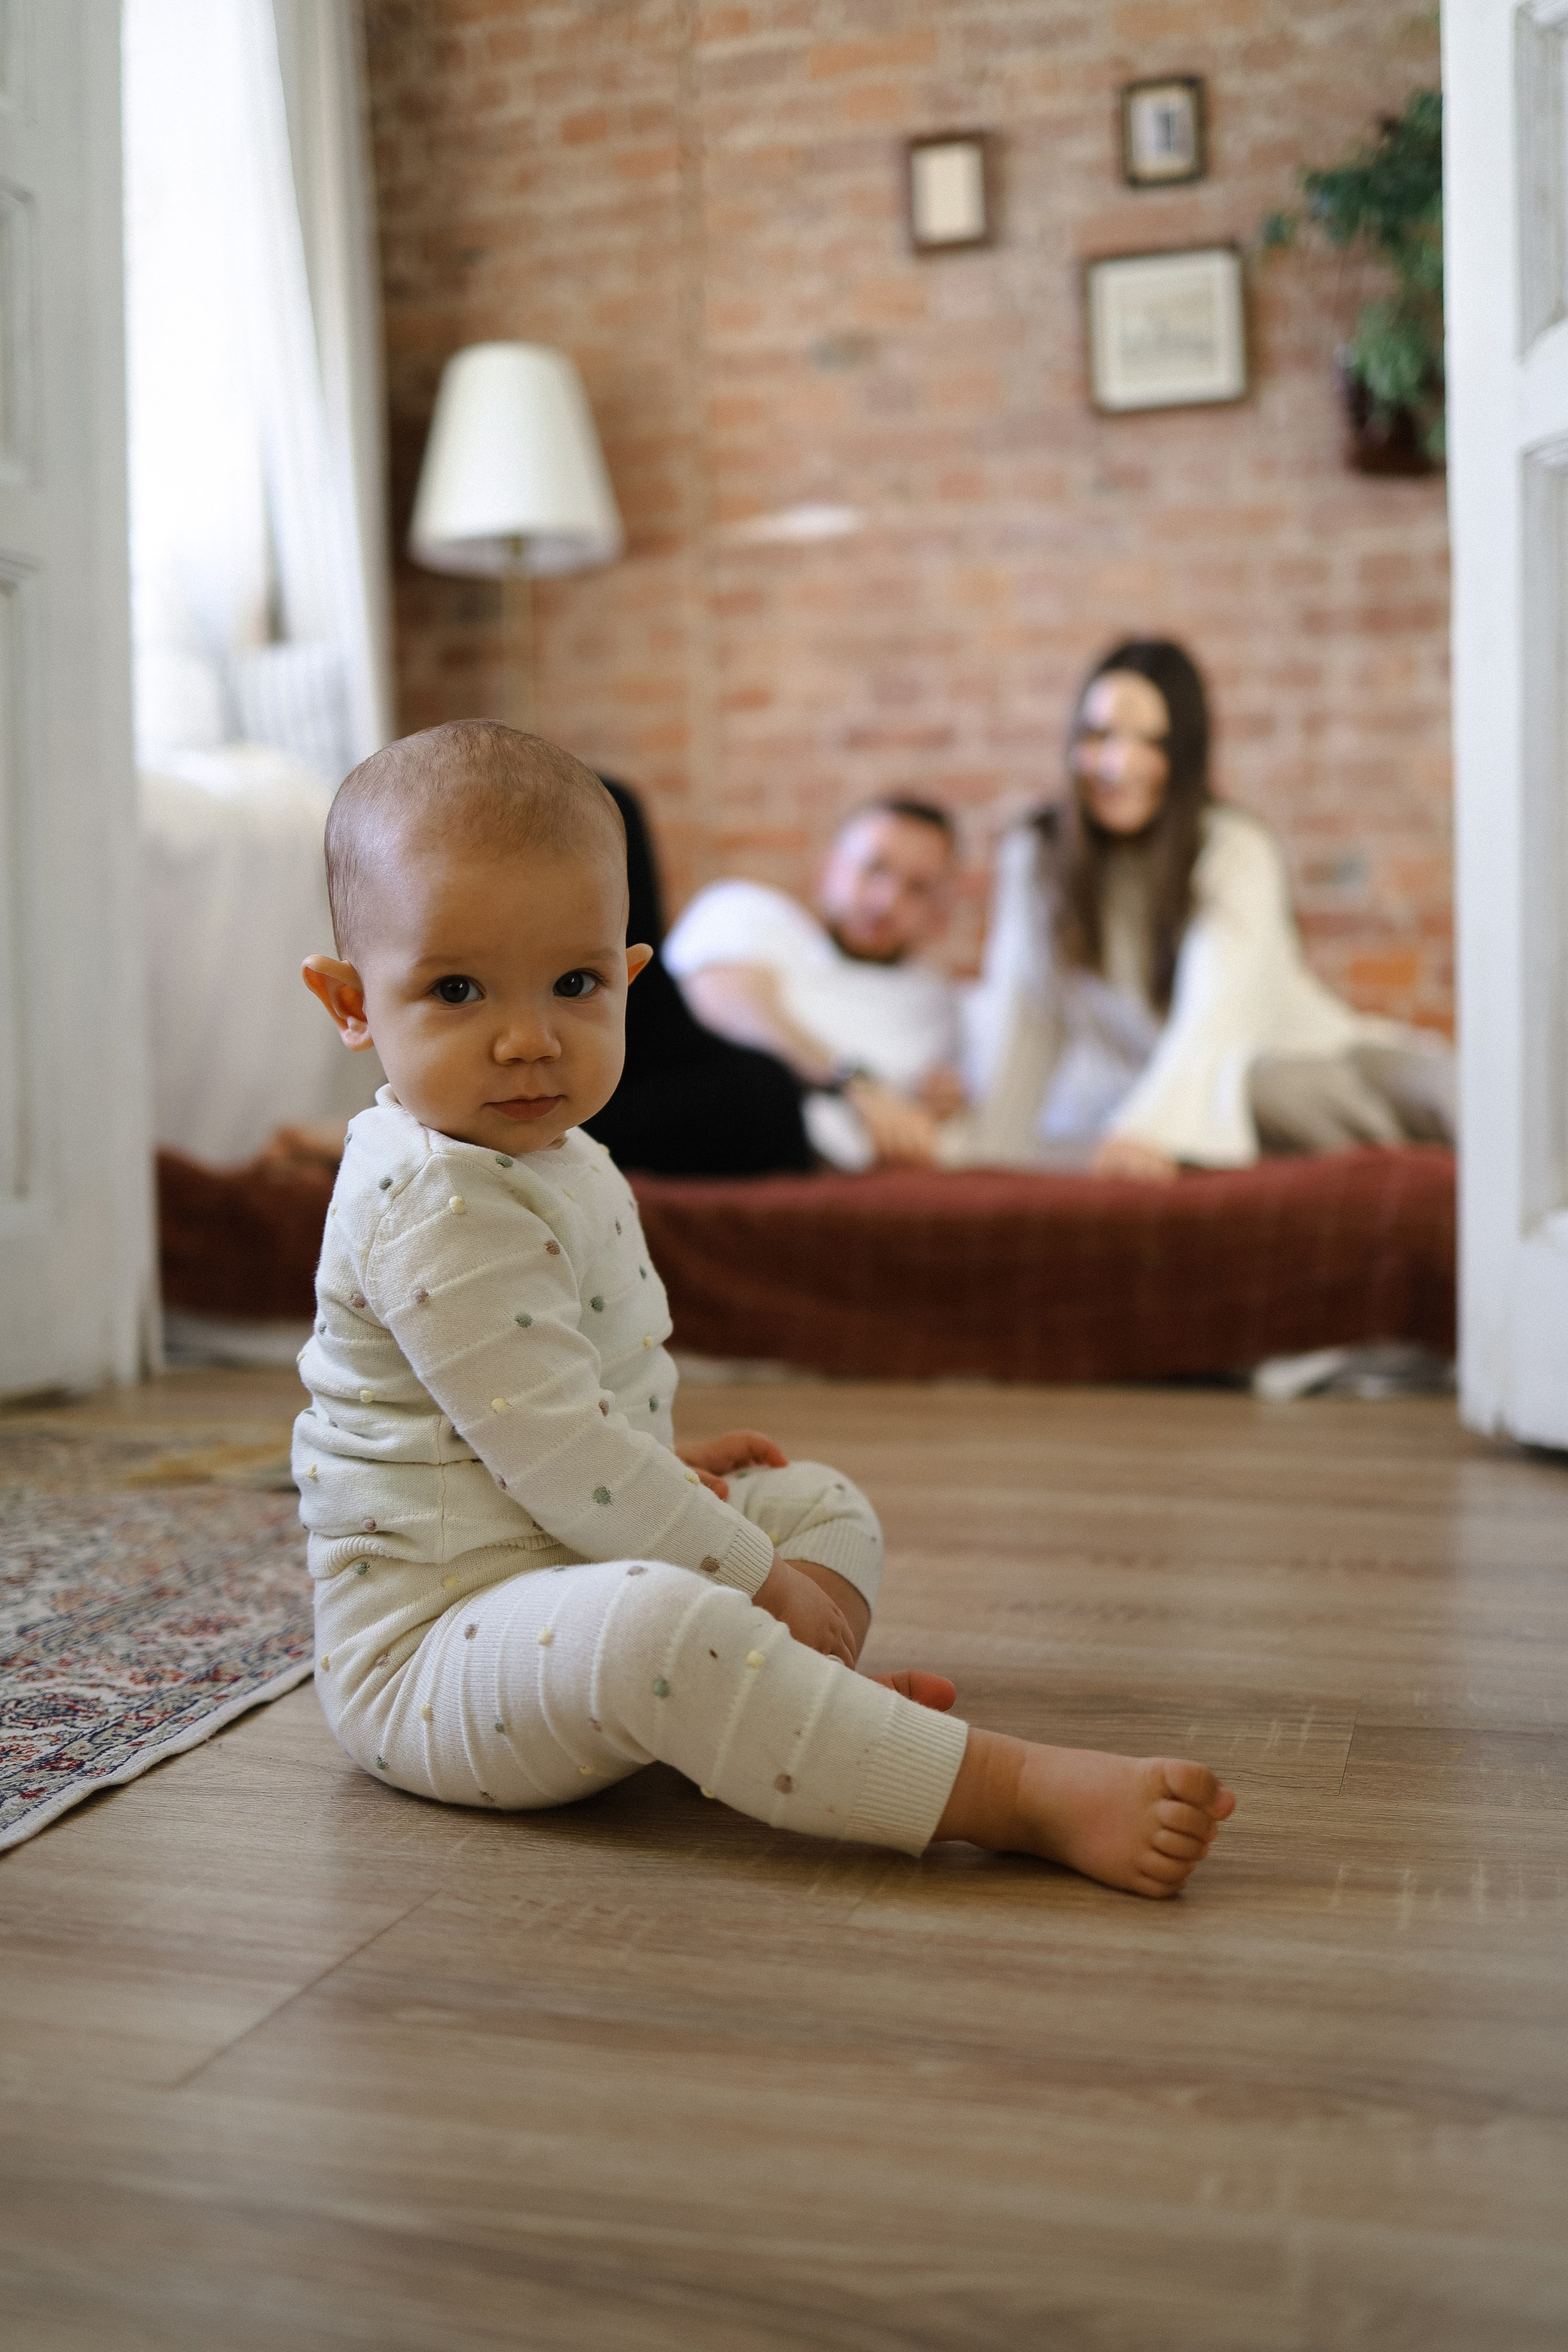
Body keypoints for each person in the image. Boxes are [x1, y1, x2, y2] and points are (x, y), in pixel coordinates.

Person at [291, 719, 1235, 1894]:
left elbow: (527, 1413)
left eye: (575, 984)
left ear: (632, 978)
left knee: (820, 1506)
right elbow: (549, 1447)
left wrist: (657, 1462)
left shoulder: (557, 1151)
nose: (529, 1038)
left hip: (550, 1549)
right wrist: (740, 1570)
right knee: (662, 1629)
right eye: (456, 988)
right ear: (350, 1002)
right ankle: (1002, 1790)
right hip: (434, 1655)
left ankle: (796, 1715)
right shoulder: (431, 1197)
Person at [957, 641, 1455, 1177]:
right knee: (1245, 1098)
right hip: (1215, 1097)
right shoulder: (1036, 855)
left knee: (1458, 1091)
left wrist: (1149, 1130)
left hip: (1305, 1056)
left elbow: (1217, 1015)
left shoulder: (1235, 848)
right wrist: (990, 1158)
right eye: (1098, 736)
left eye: (1149, 742)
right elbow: (1028, 1016)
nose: (1117, 765)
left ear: (1185, 754)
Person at [663, 799, 967, 1170]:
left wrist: (947, 1104)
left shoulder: (935, 1005)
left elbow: (936, 1111)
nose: (885, 901)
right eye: (874, 869)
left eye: (918, 888)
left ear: (938, 909)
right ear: (829, 867)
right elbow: (724, 1004)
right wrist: (854, 1083)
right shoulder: (749, 912)